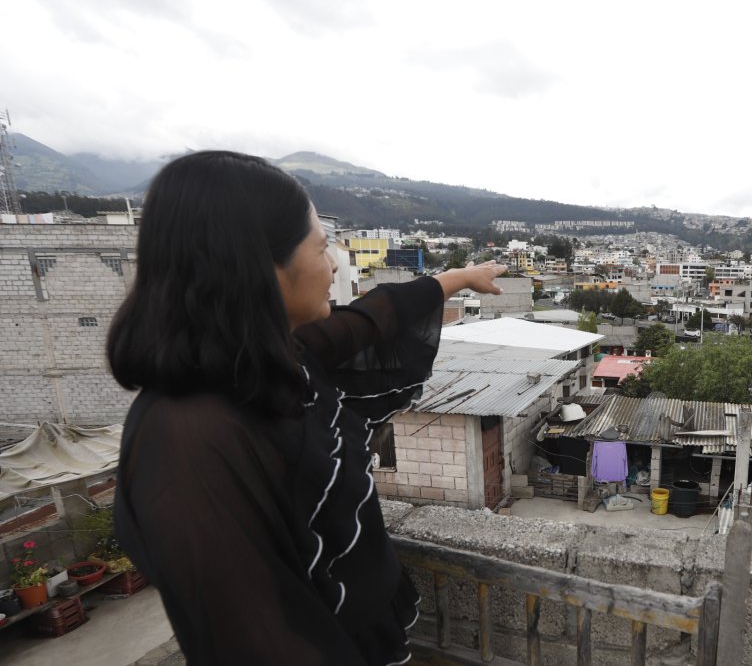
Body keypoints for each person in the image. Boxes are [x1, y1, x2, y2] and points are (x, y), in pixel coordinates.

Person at [107, 150, 505, 665]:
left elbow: (370, 319)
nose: (334, 262)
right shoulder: (189, 440)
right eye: (321, 248)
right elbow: (252, 638)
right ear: (262, 267)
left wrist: (456, 277)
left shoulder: (268, 363)